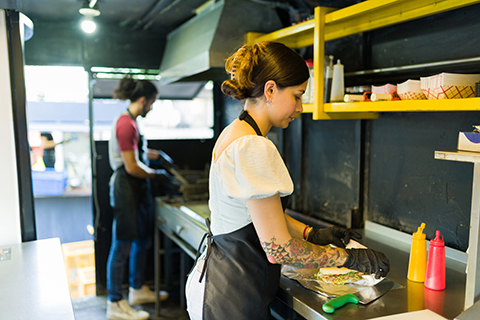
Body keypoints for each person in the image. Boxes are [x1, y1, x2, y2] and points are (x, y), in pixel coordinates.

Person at [185, 41, 390, 320]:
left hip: (219, 284)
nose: (300, 107)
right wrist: (349, 259)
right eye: (297, 95)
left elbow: (255, 217)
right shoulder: (253, 147)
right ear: (270, 90)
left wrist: (312, 234)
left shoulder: (234, 133)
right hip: (234, 297)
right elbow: (278, 249)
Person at [106, 76, 169, 320]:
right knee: (121, 246)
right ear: (143, 100)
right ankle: (115, 302)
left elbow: (135, 152)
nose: (151, 108)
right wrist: (156, 174)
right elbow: (131, 166)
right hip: (126, 188)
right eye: (151, 103)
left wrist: (157, 155)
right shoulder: (125, 124)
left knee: (142, 240)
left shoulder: (130, 121)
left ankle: (136, 289)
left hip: (135, 189)